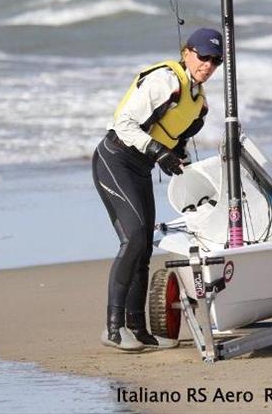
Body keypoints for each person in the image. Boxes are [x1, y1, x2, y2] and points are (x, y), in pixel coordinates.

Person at [92, 27, 223, 352]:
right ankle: (113, 328)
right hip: (115, 159)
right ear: (187, 53)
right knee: (134, 239)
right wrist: (158, 152)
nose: (208, 65)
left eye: (215, 60)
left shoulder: (198, 102)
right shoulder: (165, 81)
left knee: (144, 247)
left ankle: (138, 330)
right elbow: (123, 124)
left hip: (140, 168)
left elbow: (172, 135)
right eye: (203, 56)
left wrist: (175, 155)